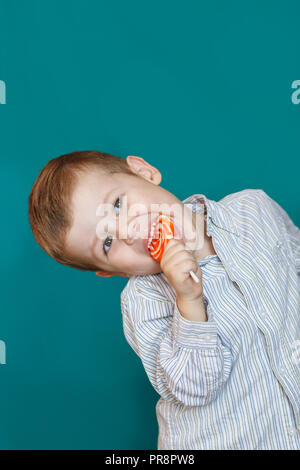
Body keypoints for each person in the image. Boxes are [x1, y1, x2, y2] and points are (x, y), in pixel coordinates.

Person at [28, 150, 300, 450]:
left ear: (144, 172)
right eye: (107, 243)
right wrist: (189, 301)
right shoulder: (143, 301)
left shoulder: (253, 210)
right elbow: (196, 389)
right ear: (113, 273)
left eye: (117, 205)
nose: (128, 232)